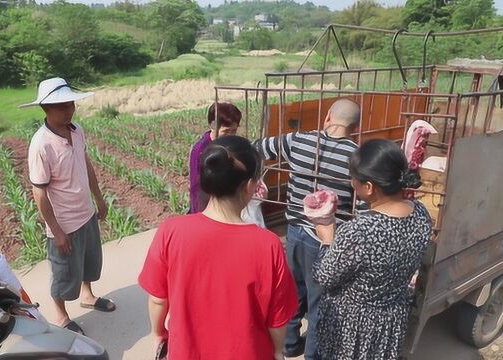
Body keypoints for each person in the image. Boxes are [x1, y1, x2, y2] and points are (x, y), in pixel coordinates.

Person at [139, 135, 299, 360]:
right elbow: (277, 320)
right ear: (250, 186)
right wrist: (277, 352)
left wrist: (158, 334)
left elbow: (157, 298)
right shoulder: (268, 245)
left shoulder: (171, 231)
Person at [252, 98, 361, 359]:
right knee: (319, 303)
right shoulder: (357, 157)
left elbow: (259, 147)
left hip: (294, 233)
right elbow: (362, 205)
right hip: (324, 239)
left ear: (327, 118)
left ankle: (289, 345)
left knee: (292, 291)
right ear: (355, 128)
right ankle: (314, 354)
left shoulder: (298, 140)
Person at [312, 139, 432, 360]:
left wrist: (327, 239)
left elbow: (325, 276)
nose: (351, 182)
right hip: (390, 320)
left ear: (369, 187)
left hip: (352, 326)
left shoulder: (359, 230)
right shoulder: (421, 214)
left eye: (354, 178)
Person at [22, 77, 115, 335]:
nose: (69, 109)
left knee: (89, 260)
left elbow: (86, 164)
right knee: (63, 272)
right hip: (63, 222)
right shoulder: (41, 144)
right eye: (61, 106)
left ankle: (88, 295)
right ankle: (61, 315)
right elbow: (38, 192)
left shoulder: (76, 130)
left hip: (85, 212)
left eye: (70, 103)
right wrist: (57, 230)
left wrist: (99, 197)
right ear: (46, 109)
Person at [188, 102, 241, 214]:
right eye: (226, 131)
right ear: (212, 127)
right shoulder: (201, 151)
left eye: (234, 131)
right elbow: (197, 188)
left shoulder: (228, 144)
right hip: (208, 208)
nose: (231, 136)